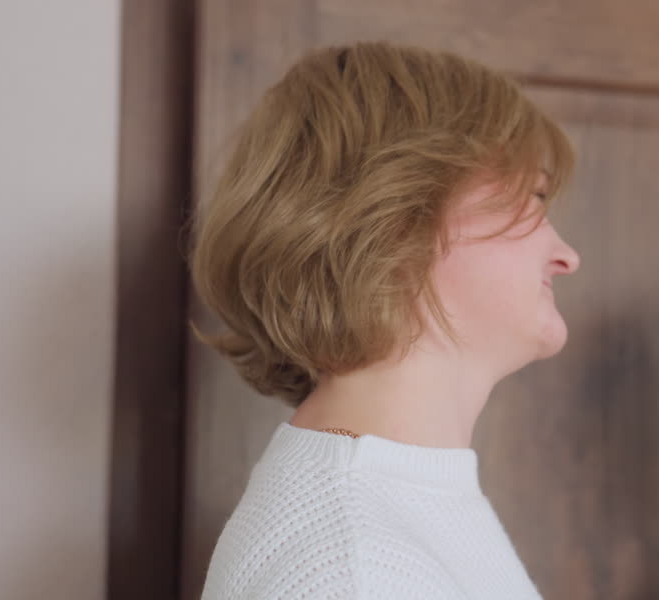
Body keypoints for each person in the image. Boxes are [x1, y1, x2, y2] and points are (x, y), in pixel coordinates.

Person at [190, 43, 580, 600]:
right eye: (535, 196)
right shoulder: (356, 568)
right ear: (397, 212)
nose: (568, 255)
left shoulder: (394, 507)